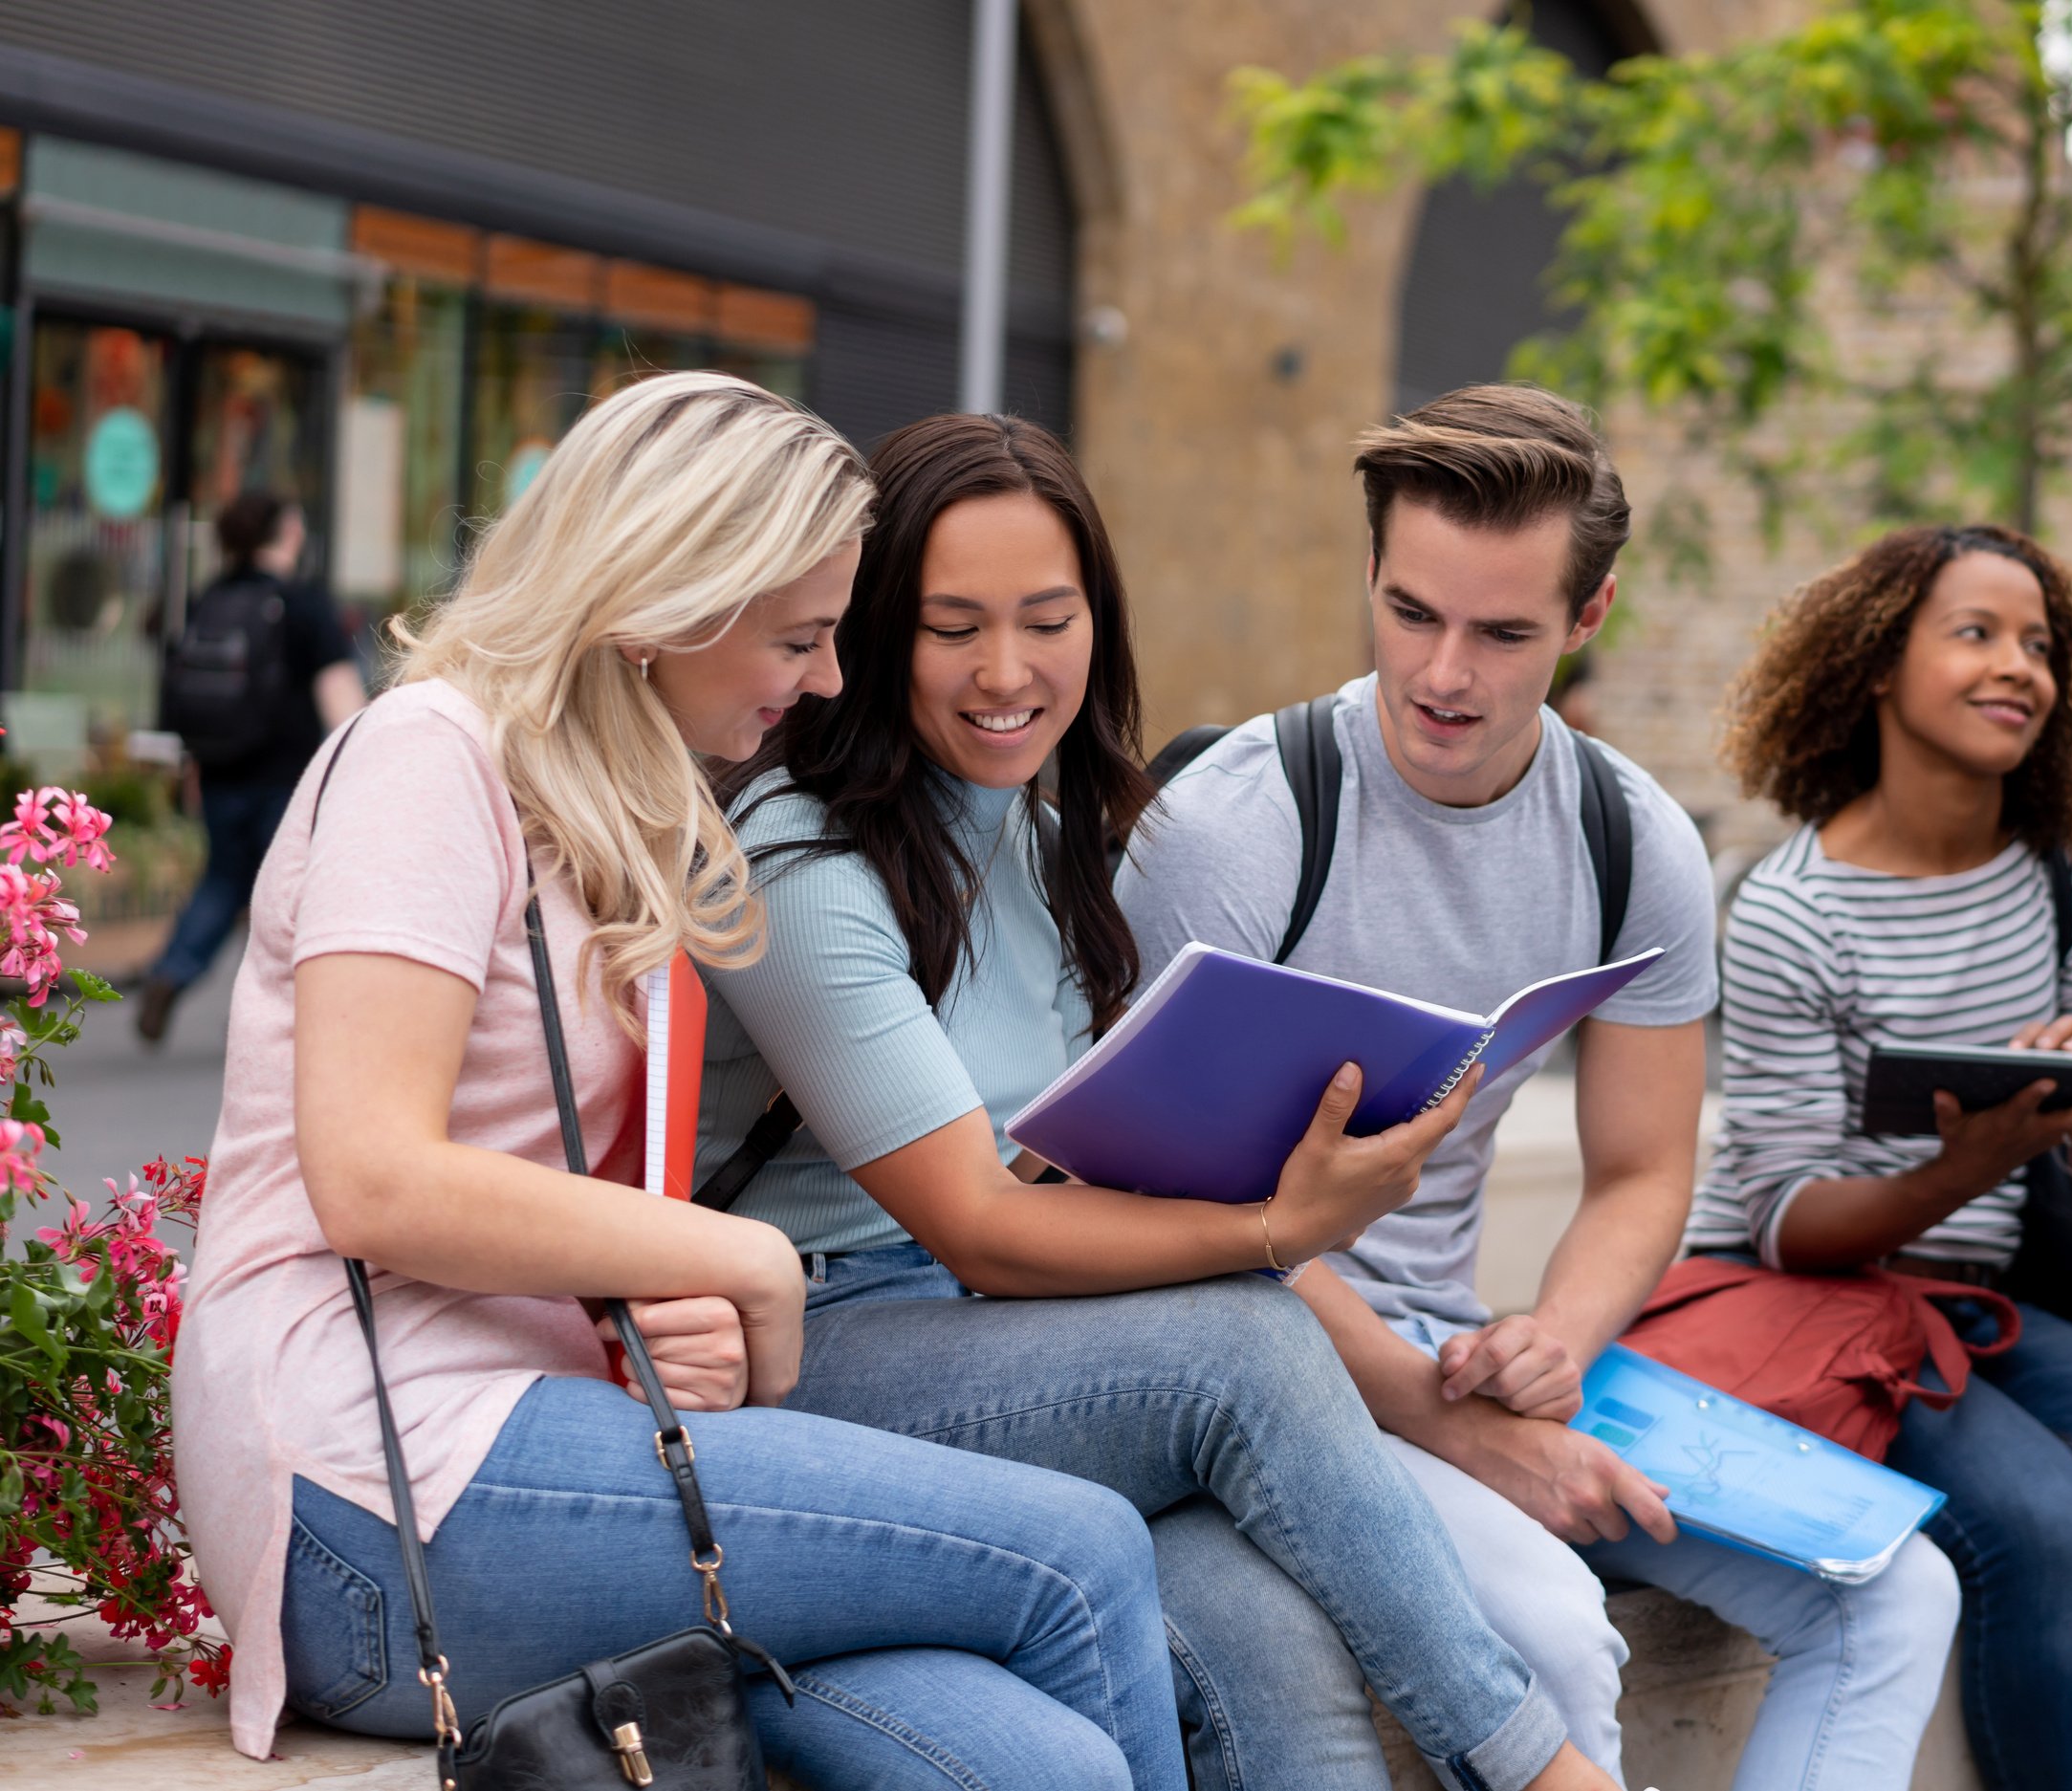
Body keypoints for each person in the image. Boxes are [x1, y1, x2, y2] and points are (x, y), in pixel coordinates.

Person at [176, 372, 1195, 1790]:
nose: (829, 679)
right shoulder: (426, 758)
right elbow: (374, 1172)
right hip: (372, 1491)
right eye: (801, 634)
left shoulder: (618, 814)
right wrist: (744, 1261)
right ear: (663, 602)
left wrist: (667, 1311)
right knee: (1079, 1549)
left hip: (571, 1447)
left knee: (1033, 1764)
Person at [694, 410, 1612, 1791]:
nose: (1006, 672)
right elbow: (981, 1228)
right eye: (952, 628)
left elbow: (1065, 1177)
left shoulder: (1053, 837)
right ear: (875, 630)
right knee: (1241, 1342)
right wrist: (1271, 1226)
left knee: (1276, 1656)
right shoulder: (800, 865)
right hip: (820, 1351)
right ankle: (1542, 1774)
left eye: (1046, 619)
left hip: (1013, 1353)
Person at [1119, 383, 1963, 1791]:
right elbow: (1151, 1198)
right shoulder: (1240, 823)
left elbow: (1639, 1170)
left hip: (1456, 1351)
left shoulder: (1629, 844)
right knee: (1563, 1644)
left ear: (1588, 616)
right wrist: (1440, 1413)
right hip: (1252, 1353)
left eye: (1501, 631)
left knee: (1896, 1592)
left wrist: (1556, 1343)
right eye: (1409, 613)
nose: (1442, 672)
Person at [1685, 524, 2072, 1790]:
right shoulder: (1792, 910)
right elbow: (1786, 1218)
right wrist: (1968, 1164)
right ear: (1875, 665)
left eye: (2037, 645)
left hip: (1985, 1306)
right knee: (2038, 1524)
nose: (2016, 667)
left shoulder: (2068, 874)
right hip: (1822, 1310)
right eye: (1974, 634)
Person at [137, 492, 364, 1043]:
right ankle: (269, 1015)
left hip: (220, 772)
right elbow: (340, 697)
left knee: (222, 879)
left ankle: (171, 972)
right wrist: (362, 761)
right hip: (288, 779)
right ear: (287, 533)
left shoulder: (207, 599)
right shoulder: (303, 604)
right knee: (283, 897)